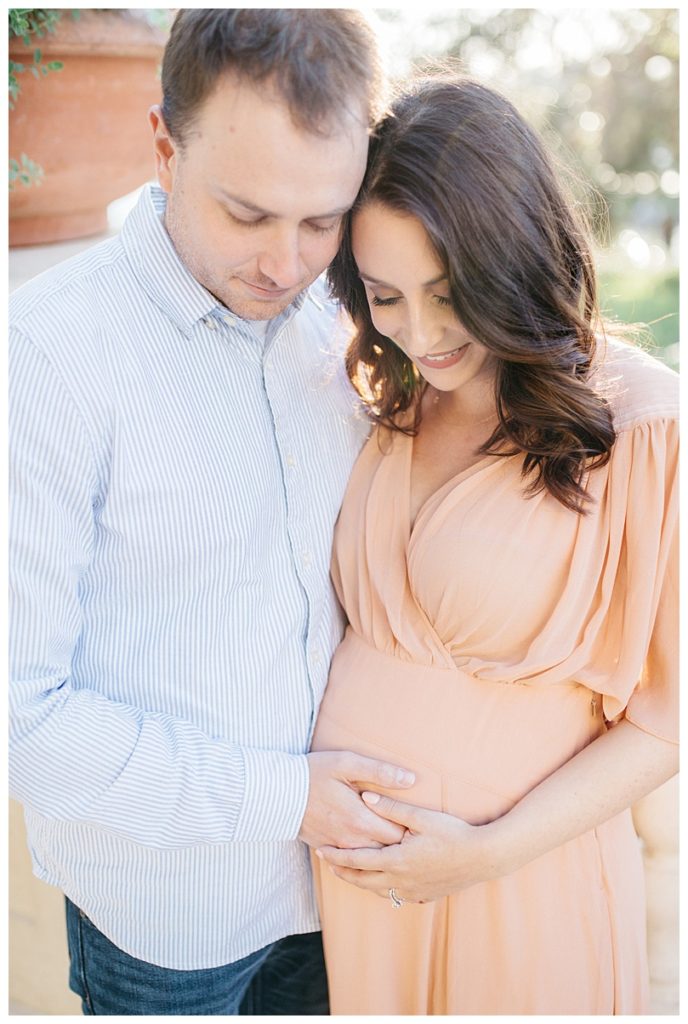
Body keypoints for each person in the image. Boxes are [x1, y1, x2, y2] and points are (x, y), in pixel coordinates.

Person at [9, 9, 419, 1016]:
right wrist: (287, 796)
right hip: (167, 913)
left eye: (321, 219)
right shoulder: (43, 356)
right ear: (162, 146)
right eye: (246, 214)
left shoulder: (346, 316)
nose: (285, 263)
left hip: (343, 895)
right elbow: (22, 715)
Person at [311, 73, 679, 1015]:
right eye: (386, 296)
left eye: (449, 293)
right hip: (362, 904)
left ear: (512, 254)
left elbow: (667, 719)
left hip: (520, 888)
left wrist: (483, 855)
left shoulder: (640, 427)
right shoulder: (389, 397)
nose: (422, 333)